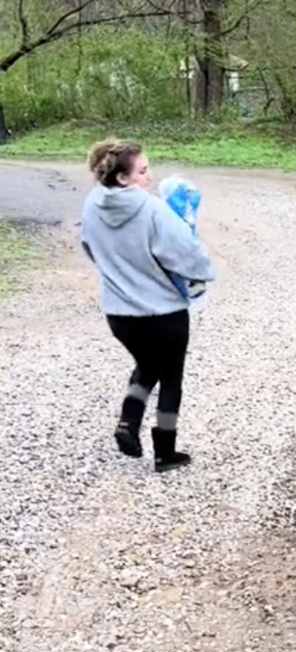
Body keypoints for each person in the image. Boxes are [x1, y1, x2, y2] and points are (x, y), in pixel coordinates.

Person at [79, 138, 215, 471]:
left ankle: (128, 422)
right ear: (122, 178)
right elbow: (186, 254)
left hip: (120, 316)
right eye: (142, 171)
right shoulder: (152, 209)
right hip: (163, 314)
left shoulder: (91, 205)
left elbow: (88, 247)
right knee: (170, 378)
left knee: (148, 364)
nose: (149, 177)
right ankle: (165, 453)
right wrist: (202, 273)